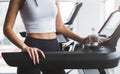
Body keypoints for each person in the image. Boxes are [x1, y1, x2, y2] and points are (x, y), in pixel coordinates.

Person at [3, 0, 102, 74]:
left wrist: (82, 40)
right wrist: (24, 47)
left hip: (53, 47)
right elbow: (7, 28)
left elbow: (60, 27)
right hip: (33, 49)